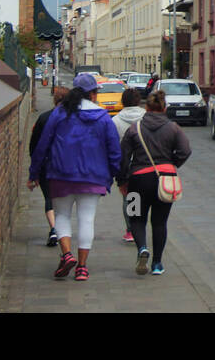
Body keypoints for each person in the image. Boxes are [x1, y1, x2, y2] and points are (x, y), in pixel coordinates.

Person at [28, 72, 121, 282]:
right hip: (93, 176)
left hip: (61, 173)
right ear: (93, 94)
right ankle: (82, 267)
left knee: (61, 216)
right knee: (87, 219)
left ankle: (67, 254)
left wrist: (34, 173)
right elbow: (114, 149)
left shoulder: (60, 113)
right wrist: (114, 174)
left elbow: (43, 145)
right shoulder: (103, 117)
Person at [118, 89, 191, 276]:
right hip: (165, 182)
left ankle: (142, 248)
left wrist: (122, 181)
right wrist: (171, 164)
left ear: (146, 108)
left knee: (135, 217)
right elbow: (185, 151)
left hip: (137, 181)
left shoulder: (134, 128)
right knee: (160, 222)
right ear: (164, 107)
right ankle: (157, 263)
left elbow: (123, 157)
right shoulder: (174, 127)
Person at [29, 85, 70, 246]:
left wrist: (34, 172)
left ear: (55, 99)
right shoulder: (73, 118)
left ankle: (54, 229)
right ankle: (61, 230)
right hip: (67, 165)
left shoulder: (44, 118)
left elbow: (34, 146)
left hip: (47, 164)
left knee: (49, 197)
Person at [112, 87, 147, 244]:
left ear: (123, 102)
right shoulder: (146, 118)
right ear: (138, 101)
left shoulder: (115, 121)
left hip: (126, 164)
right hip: (145, 164)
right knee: (144, 198)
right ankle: (141, 227)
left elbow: (113, 146)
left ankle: (131, 230)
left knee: (129, 197)